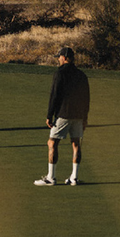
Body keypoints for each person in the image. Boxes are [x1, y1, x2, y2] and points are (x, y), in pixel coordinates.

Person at [38, 45, 89, 185]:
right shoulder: (81, 75)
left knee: (52, 142)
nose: (58, 59)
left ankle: (51, 177)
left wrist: (49, 115)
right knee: (76, 144)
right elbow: (86, 98)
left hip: (63, 114)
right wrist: (85, 118)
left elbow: (54, 95)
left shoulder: (59, 73)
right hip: (78, 115)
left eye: (60, 57)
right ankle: (74, 177)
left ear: (64, 58)